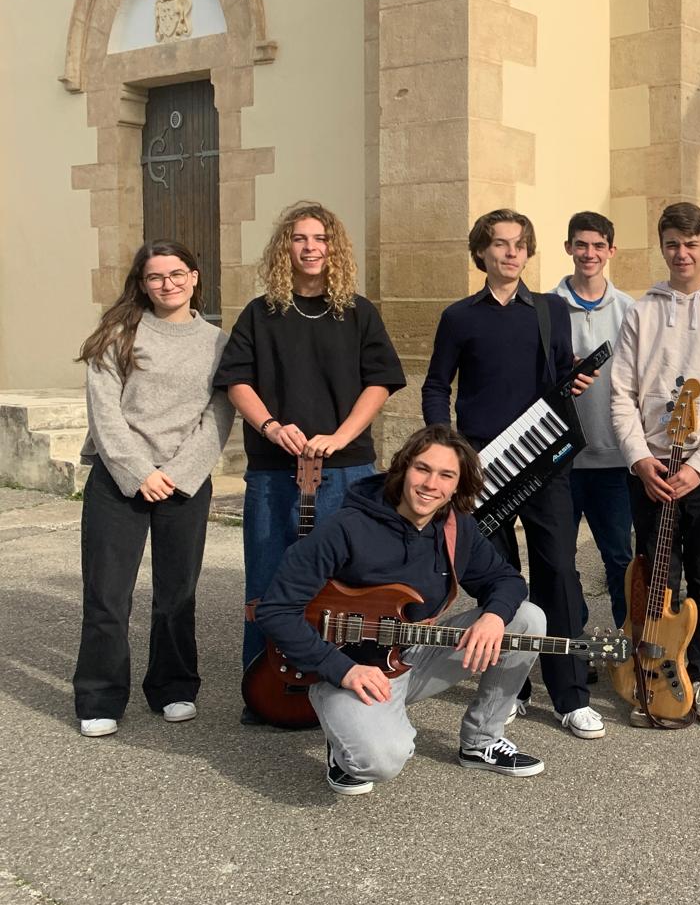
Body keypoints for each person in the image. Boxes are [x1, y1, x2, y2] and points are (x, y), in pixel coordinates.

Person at [252, 425, 546, 795]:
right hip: (349, 671)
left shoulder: (457, 528)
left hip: (414, 655)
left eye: (446, 475)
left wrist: (493, 616)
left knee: (526, 619)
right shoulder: (347, 527)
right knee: (381, 761)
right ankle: (344, 745)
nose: (431, 485)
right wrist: (340, 669)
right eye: (422, 469)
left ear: (459, 485)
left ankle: (481, 740)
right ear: (403, 469)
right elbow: (276, 611)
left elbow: (507, 580)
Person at [217, 201, 405, 720]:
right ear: (286, 246)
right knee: (268, 578)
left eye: (320, 238)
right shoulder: (260, 314)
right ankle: (264, 692)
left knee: (348, 582)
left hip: (347, 468)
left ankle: (346, 689)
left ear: (333, 247)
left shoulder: (358, 312)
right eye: (300, 238)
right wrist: (273, 428)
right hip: (275, 468)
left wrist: (341, 437)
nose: (310, 247)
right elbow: (237, 381)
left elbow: (380, 382)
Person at [421, 209, 602, 741]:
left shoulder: (551, 310)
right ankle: (512, 686)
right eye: (500, 244)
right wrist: (446, 449)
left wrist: (575, 380)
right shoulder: (459, 317)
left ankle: (571, 696)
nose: (511, 252)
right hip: (482, 465)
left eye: (519, 244)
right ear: (481, 252)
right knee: (499, 576)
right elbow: (436, 385)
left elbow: (559, 376)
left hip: (544, 459)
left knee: (559, 572)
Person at [74, 242, 235, 738]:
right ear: (142, 284)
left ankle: (173, 687)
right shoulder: (117, 334)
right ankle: (100, 696)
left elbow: (219, 416)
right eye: (156, 277)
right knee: (107, 594)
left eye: (177, 273)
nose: (168, 284)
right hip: (119, 477)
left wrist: (179, 473)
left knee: (176, 594)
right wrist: (139, 472)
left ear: (195, 277)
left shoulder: (218, 343)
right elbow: (104, 414)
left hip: (184, 481)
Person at [611, 202, 700, 728]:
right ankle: (654, 674)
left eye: (691, 244)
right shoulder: (640, 313)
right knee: (658, 576)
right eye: (672, 244)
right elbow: (621, 395)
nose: (682, 254)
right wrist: (639, 459)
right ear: (662, 247)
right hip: (652, 468)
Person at [555, 211, 635, 629]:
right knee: (560, 559)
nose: (589, 253)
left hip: (614, 459)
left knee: (619, 557)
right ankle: (573, 636)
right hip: (560, 459)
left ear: (611, 251)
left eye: (598, 245)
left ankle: (627, 641)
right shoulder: (547, 308)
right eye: (581, 244)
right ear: (568, 247)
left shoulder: (630, 310)